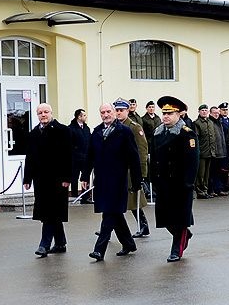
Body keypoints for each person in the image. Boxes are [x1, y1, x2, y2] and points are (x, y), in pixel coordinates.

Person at [82, 102, 141, 261]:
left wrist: (137, 180)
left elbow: (133, 157)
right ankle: (129, 244)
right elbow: (90, 156)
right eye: (102, 112)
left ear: (114, 112)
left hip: (118, 180)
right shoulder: (97, 131)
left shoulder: (124, 132)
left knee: (108, 214)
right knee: (114, 214)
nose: (106, 115)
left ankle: (99, 249)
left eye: (108, 111)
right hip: (101, 180)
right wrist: (84, 176)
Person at [149, 95, 198, 262]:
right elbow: (153, 157)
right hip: (163, 183)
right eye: (164, 113)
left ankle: (176, 249)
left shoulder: (187, 134)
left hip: (180, 183)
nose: (165, 117)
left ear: (179, 114)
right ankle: (185, 234)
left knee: (179, 219)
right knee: (165, 218)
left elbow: (193, 160)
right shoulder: (158, 133)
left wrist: (189, 182)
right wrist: (152, 178)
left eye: (170, 113)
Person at [23, 103, 74, 258]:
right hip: (41, 180)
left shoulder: (63, 131)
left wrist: (67, 177)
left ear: (51, 113)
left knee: (50, 213)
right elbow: (30, 158)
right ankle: (60, 243)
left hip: (58, 179)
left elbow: (68, 155)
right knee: (50, 211)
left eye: (46, 112)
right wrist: (27, 178)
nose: (43, 115)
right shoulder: (34, 133)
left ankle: (44, 244)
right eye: (40, 113)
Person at [115, 99, 151, 236]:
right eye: (117, 110)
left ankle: (143, 225)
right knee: (113, 200)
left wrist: (141, 173)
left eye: (121, 110)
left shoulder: (134, 127)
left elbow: (142, 150)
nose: (118, 113)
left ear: (127, 111)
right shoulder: (113, 126)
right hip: (117, 170)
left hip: (131, 170)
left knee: (133, 199)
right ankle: (107, 226)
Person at [193, 104, 216, 199]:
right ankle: (200, 191)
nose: (204, 112)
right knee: (201, 174)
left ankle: (205, 190)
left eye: (206, 110)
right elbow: (196, 138)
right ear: (199, 112)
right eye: (202, 110)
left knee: (207, 173)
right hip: (202, 152)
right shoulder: (197, 123)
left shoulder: (210, 122)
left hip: (210, 151)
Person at [68, 108, 91, 201]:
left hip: (85, 157)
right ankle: (74, 196)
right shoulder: (71, 128)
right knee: (74, 177)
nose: (86, 117)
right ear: (79, 117)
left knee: (86, 177)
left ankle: (85, 196)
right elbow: (69, 144)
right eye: (84, 115)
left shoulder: (86, 128)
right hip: (75, 158)